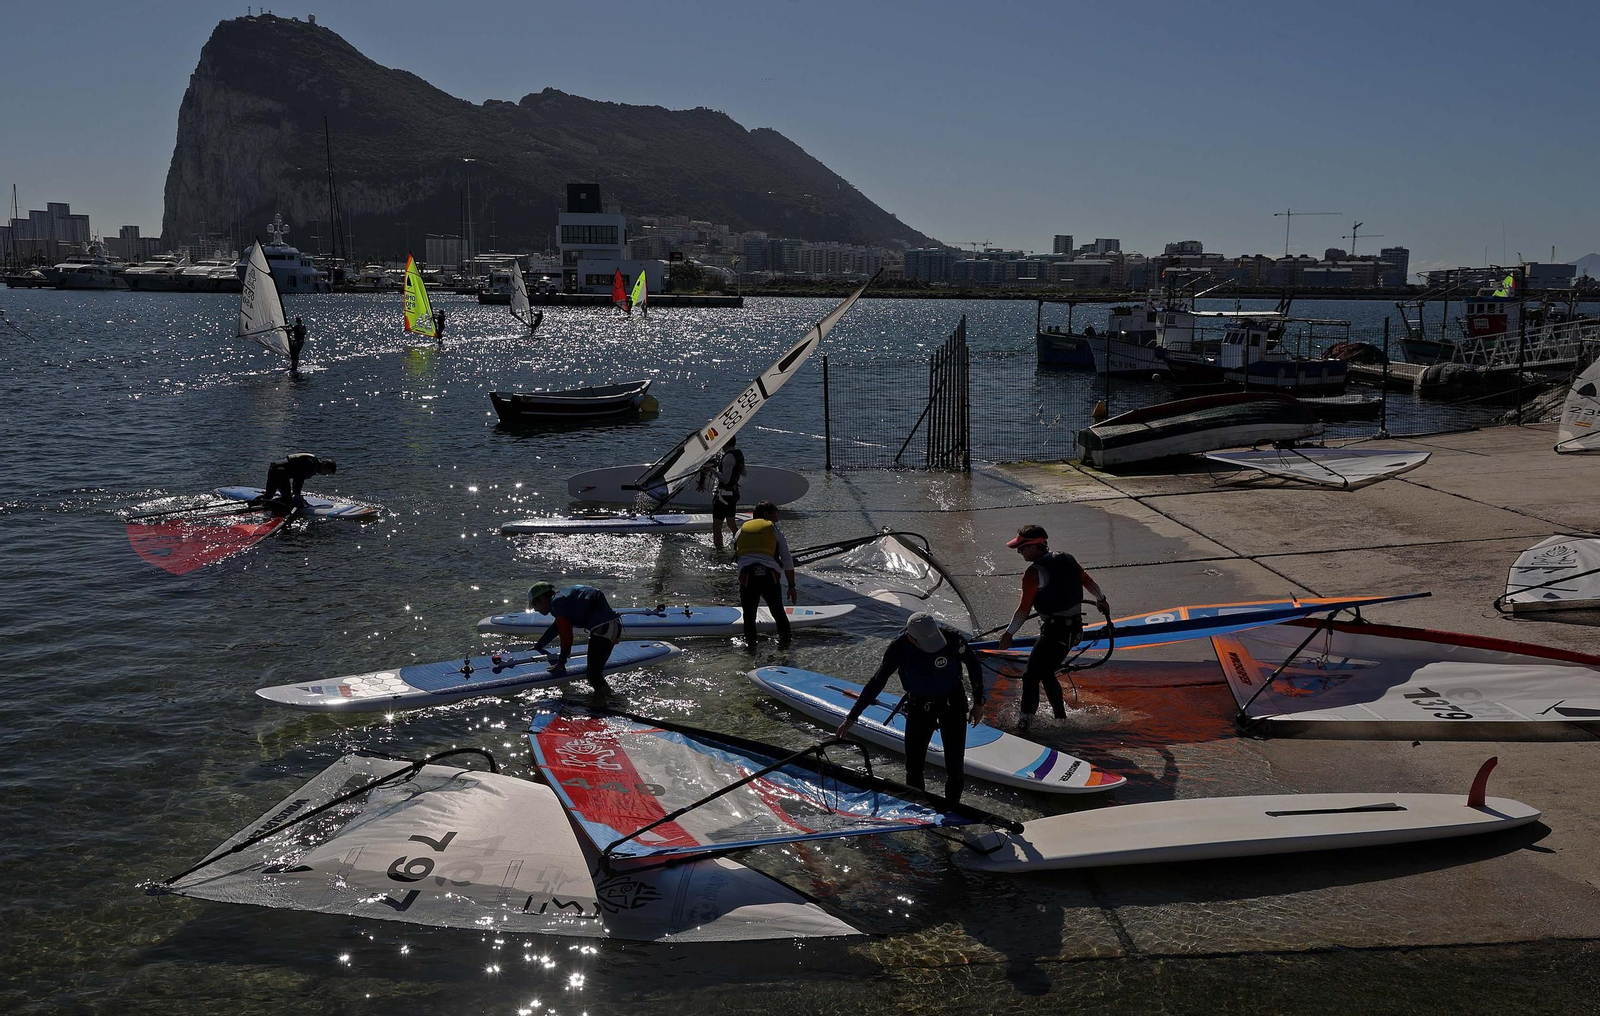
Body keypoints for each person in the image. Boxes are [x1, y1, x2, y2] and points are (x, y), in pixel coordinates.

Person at [836, 612, 986, 803]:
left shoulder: (952, 639)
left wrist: (979, 702)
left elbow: (973, 665)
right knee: (914, 767)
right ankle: (917, 807)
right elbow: (877, 682)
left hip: (953, 703)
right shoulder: (899, 648)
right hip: (920, 706)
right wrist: (852, 716)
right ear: (911, 638)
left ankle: (953, 808)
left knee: (955, 767)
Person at [996, 524, 1109, 732]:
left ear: (1034, 546)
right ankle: (1061, 719)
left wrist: (1009, 634)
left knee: (1031, 675)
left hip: (1055, 633)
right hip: (1074, 631)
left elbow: (1024, 609)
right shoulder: (1068, 559)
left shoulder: (1033, 574)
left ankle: (1025, 724)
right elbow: (1087, 581)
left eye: (1021, 548)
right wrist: (1101, 599)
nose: (1019, 552)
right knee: (1046, 672)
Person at [527, 581, 622, 694]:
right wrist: (538, 646)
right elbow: (556, 628)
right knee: (596, 673)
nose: (535, 609)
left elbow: (566, 636)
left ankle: (609, 702)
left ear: (542, 599)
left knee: (593, 676)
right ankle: (606, 698)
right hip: (613, 625)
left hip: (603, 628)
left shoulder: (557, 603)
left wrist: (561, 662)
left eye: (534, 605)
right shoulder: (562, 599)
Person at [734, 500, 795, 646]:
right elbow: (787, 560)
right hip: (769, 577)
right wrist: (792, 586)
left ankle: (750, 650)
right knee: (778, 612)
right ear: (766, 515)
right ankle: (786, 647)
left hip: (747, 577)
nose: (776, 520)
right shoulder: (775, 530)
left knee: (749, 616)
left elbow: (738, 556)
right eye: (775, 516)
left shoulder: (740, 531)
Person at [699, 437, 746, 551]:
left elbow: (725, 480)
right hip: (733, 494)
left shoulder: (728, 457)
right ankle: (743, 546)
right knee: (731, 524)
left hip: (723, 496)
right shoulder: (739, 454)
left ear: (724, 443)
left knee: (717, 526)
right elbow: (744, 472)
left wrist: (712, 470)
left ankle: (719, 552)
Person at [257, 453, 336, 514]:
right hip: (280, 472)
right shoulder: (313, 466)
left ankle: (258, 506)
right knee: (288, 503)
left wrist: (296, 493)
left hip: (274, 467)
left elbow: (298, 477)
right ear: (324, 466)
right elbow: (298, 479)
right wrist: (297, 495)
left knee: (268, 497)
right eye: (327, 472)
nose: (325, 474)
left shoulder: (313, 461)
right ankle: (274, 513)